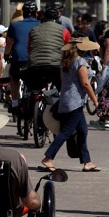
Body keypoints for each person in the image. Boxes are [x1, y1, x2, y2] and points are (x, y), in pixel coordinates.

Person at [40, 37, 101, 172]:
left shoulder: (66, 62)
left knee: (82, 131)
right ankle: (48, 157)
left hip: (66, 100)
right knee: (66, 132)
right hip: (75, 102)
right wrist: (95, 100)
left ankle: (87, 161)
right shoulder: (80, 62)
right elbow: (85, 83)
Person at [5, 1, 41, 116]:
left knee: (14, 78)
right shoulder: (41, 24)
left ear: (23, 14)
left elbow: (9, 43)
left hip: (19, 59)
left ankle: (15, 103)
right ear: (36, 14)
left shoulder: (15, 25)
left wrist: (6, 54)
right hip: (37, 59)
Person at [25, 7, 70, 92]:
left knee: (32, 89)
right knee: (63, 89)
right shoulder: (64, 31)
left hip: (35, 65)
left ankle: (31, 100)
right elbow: (69, 49)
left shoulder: (33, 30)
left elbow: (29, 48)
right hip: (55, 65)